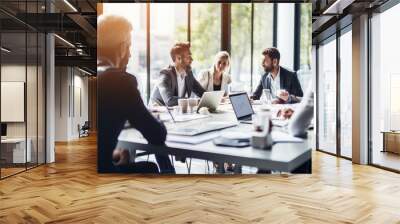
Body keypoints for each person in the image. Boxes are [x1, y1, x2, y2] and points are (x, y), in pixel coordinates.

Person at [97, 15, 175, 174]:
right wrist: (157, 121)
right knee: (151, 168)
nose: (130, 54)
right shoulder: (121, 82)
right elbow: (157, 135)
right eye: (129, 47)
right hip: (104, 171)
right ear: (121, 48)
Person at [150, 42, 205, 106]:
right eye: (188, 56)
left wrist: (213, 98)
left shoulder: (189, 74)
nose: (191, 60)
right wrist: (194, 101)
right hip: (158, 113)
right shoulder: (165, 75)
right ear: (178, 58)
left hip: (175, 113)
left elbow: (203, 93)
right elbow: (169, 101)